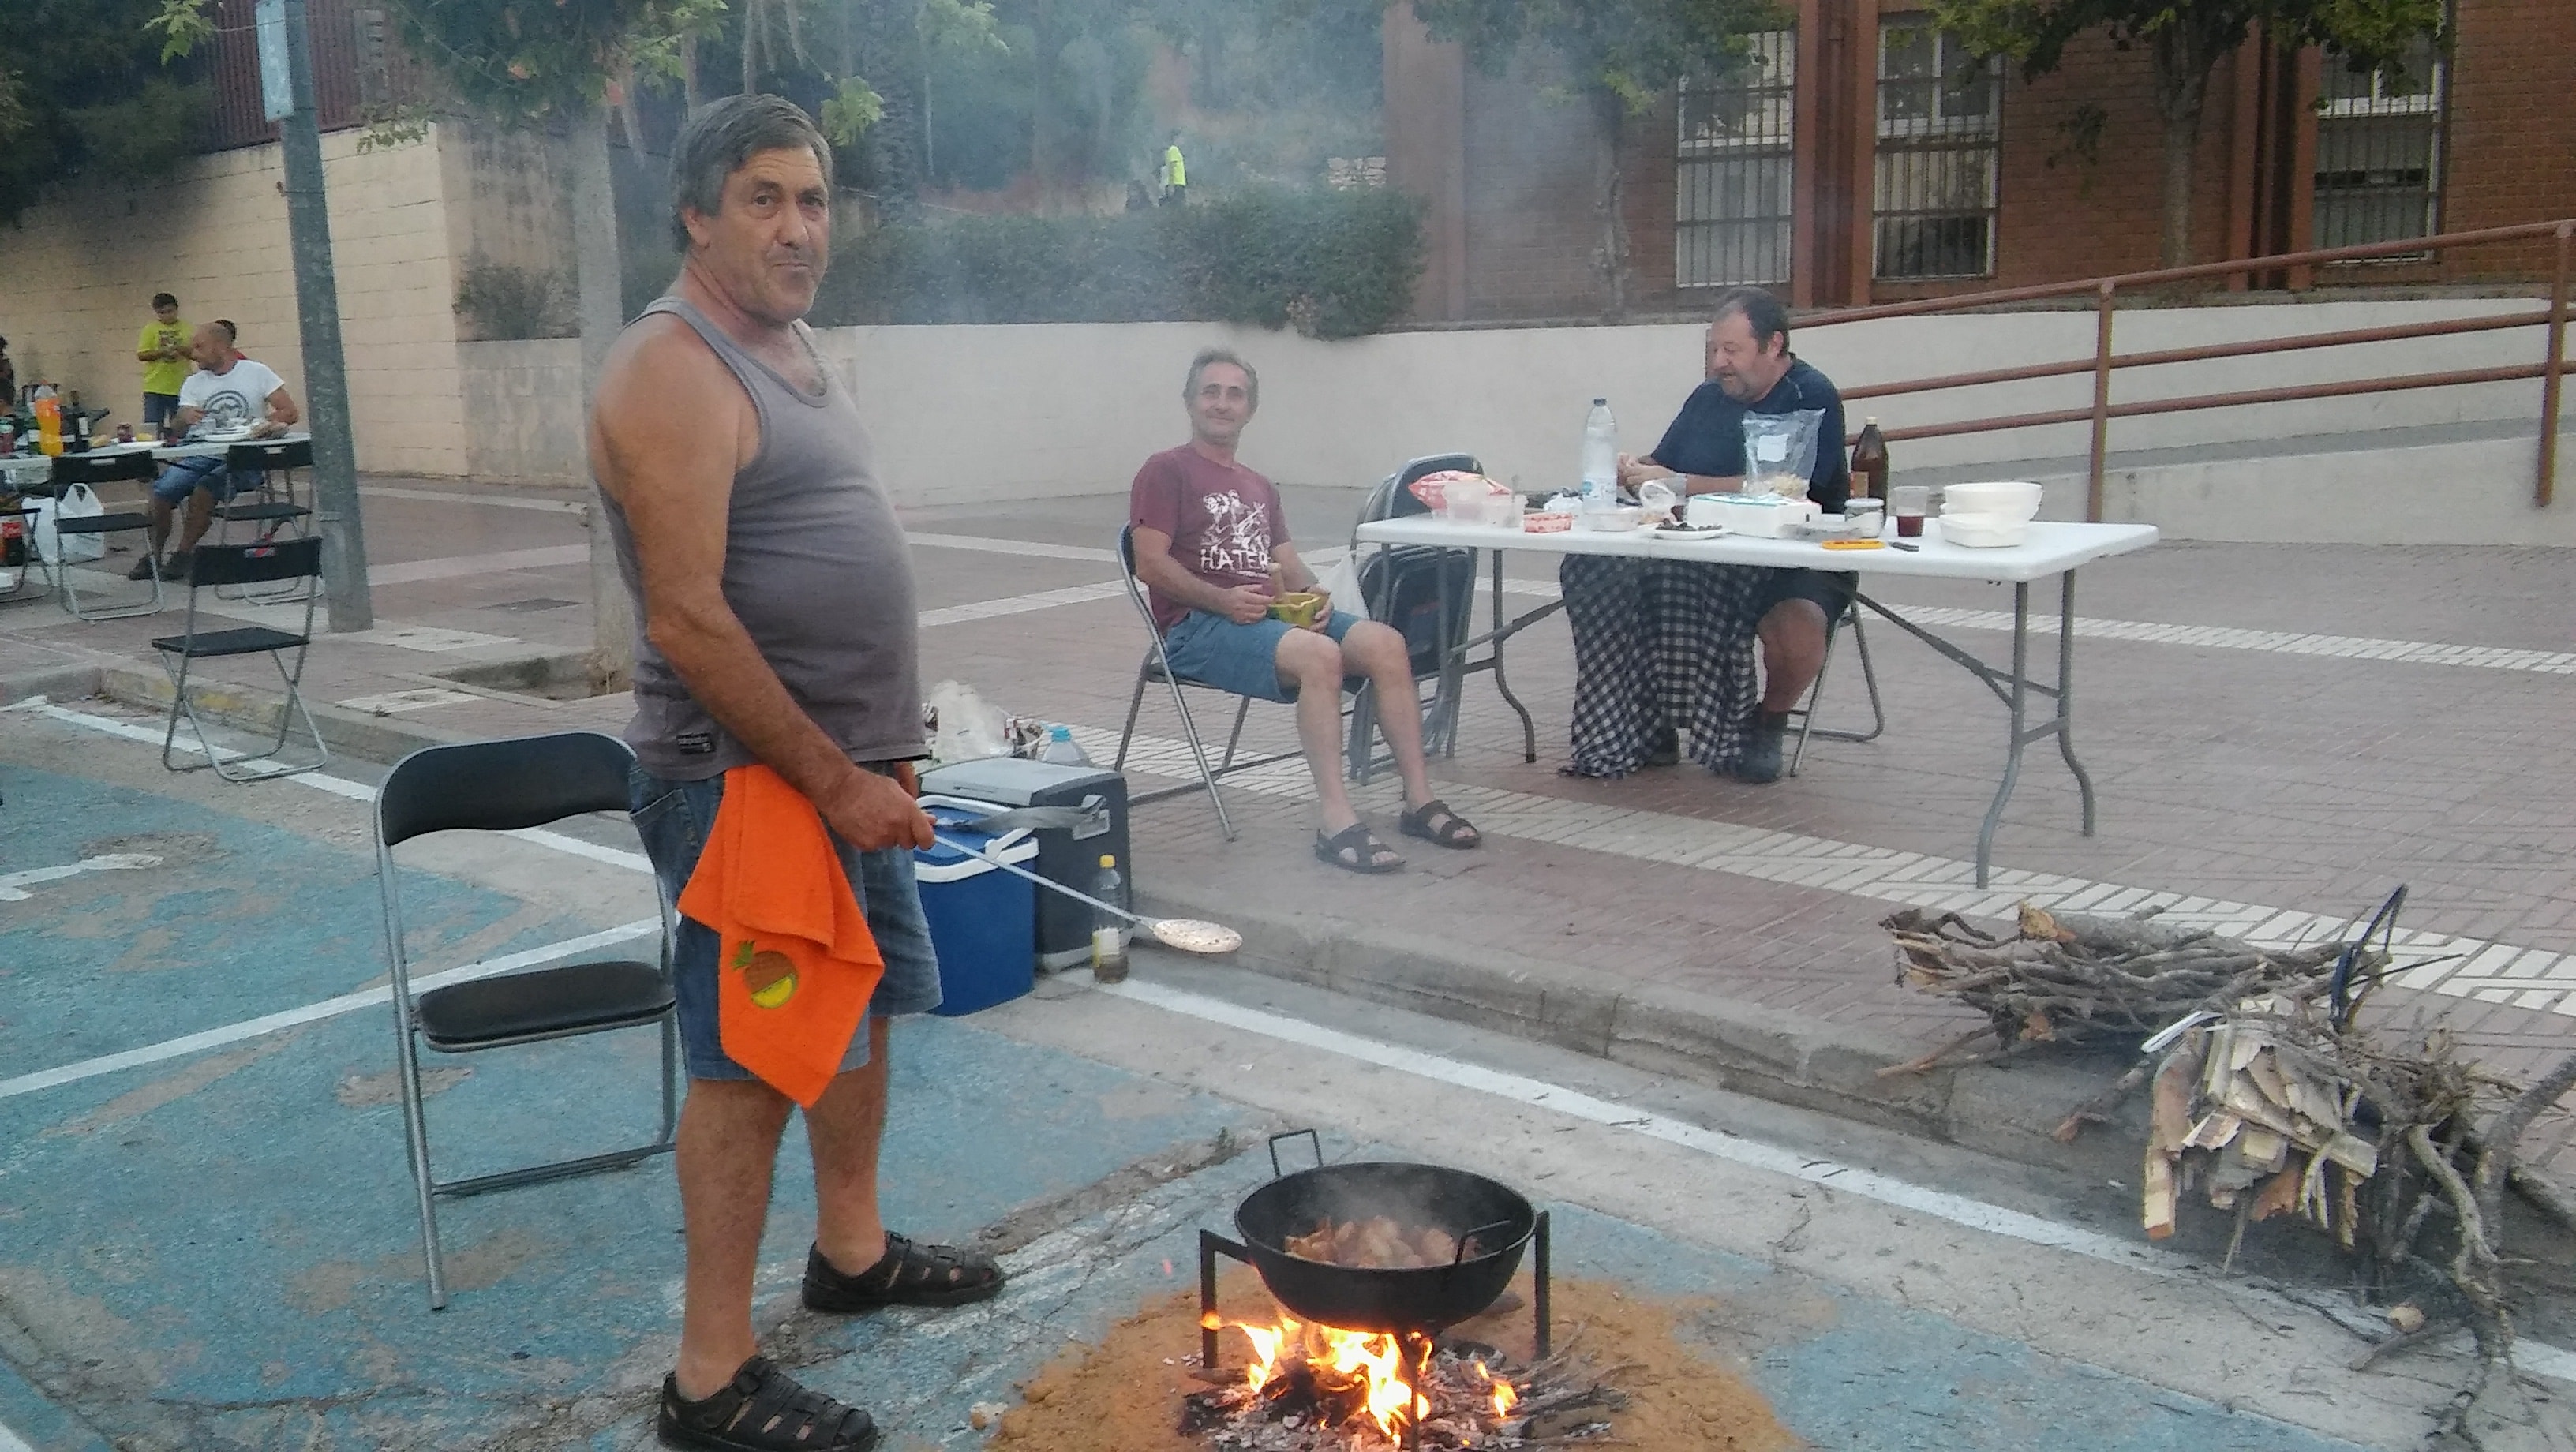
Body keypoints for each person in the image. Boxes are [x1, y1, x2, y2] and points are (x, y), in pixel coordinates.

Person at [593, 94, 1003, 1452]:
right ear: (695, 215)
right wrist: (834, 781)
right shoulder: (670, 364)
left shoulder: (789, 343)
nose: (796, 227)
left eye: (813, 200)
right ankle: (709, 1380)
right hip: (747, 782)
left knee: (858, 1008)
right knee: (750, 1066)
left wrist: (880, 753)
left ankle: (852, 1251)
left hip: (844, 765)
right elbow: (687, 616)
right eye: (762, 199)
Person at [1129, 348, 1481, 873]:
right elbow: (1149, 563)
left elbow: (1288, 564)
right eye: (1211, 392)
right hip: (1196, 627)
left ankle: (1418, 800)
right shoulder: (1166, 470)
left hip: (1268, 619)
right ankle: (1336, 821)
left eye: (1235, 394)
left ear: (1250, 409)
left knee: (1386, 643)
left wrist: (1316, 598)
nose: (1222, 404)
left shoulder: (1258, 485)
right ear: (1189, 401)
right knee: (1319, 657)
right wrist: (1223, 600)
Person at [1559, 286, 1851, 783]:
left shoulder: (1810, 395)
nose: (1719, 363)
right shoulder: (1708, 397)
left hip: (1800, 551)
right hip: (1708, 549)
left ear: (1774, 345)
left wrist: (1679, 483)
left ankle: (1767, 721)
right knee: (1605, 575)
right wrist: (1632, 467)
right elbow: (1665, 465)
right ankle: (1644, 722)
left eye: (1731, 350)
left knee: (1795, 629)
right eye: (1713, 350)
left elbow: (1791, 485)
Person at [131, 320, 298, 582]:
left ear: (220, 346)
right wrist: (184, 417)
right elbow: (178, 429)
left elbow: (290, 412)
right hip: (201, 453)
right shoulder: (193, 382)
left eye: (200, 347)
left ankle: (183, 553)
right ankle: (153, 555)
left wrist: (265, 424)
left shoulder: (256, 372)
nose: (193, 354)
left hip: (243, 458)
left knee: (204, 491)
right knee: (162, 493)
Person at [136, 294, 190, 435]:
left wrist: (181, 350)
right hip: (155, 386)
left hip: (180, 385)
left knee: (181, 427)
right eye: (161, 313)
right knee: (152, 427)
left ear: (176, 309)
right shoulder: (150, 329)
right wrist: (162, 352)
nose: (166, 316)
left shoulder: (187, 328)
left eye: (170, 311)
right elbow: (142, 355)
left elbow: (195, 353)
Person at [1159, 132, 1187, 205]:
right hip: (1176, 183)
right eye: (1181, 138)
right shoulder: (1173, 149)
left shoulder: (1176, 150)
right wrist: (1171, 184)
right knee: (1178, 205)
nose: (1182, 140)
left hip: (1178, 183)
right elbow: (1171, 167)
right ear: (1175, 138)